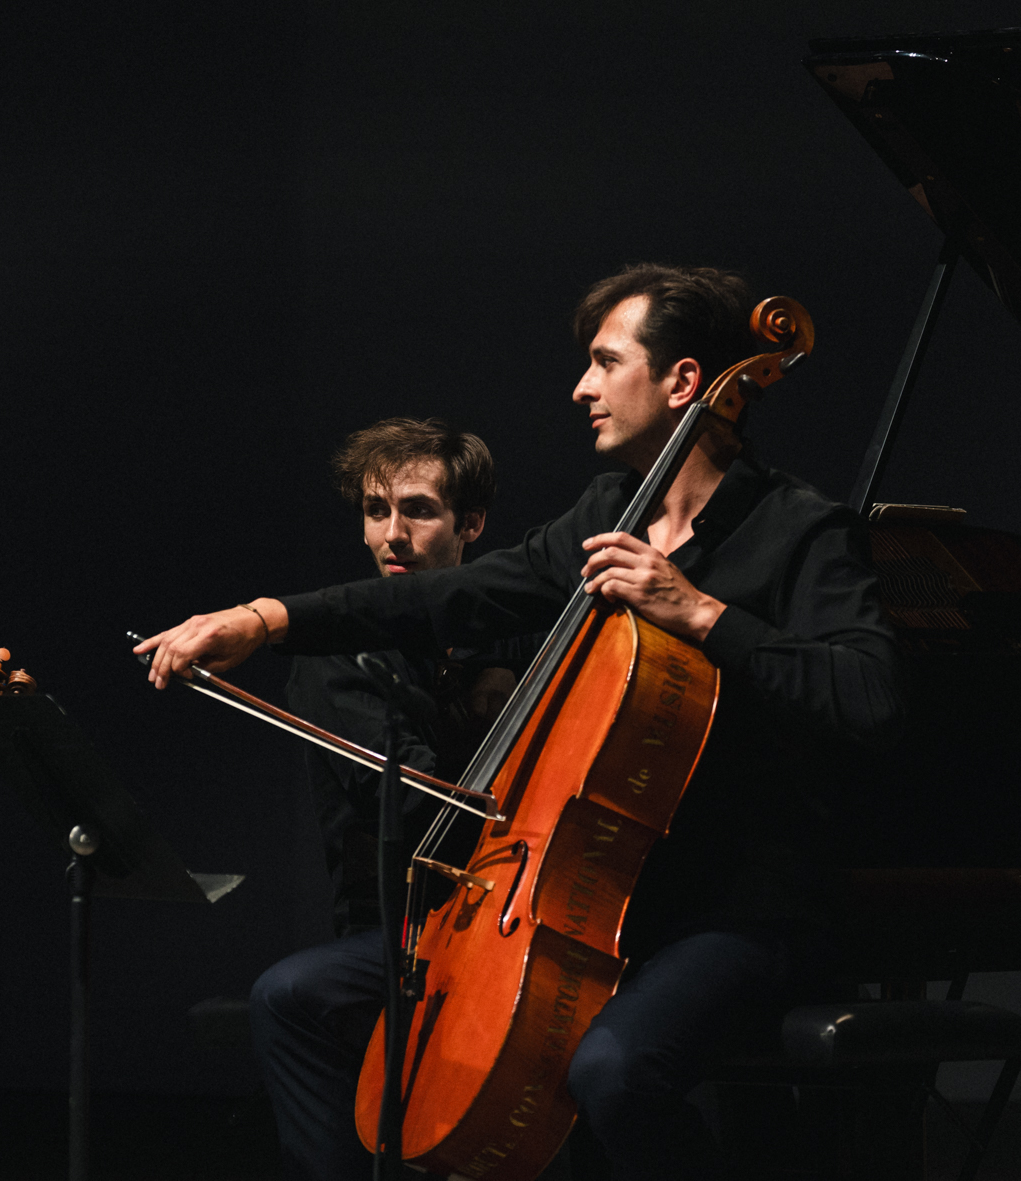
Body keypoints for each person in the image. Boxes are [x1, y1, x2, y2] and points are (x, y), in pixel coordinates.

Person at [136, 264, 904, 1180]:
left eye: (604, 362)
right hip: (582, 898)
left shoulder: (800, 529)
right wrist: (263, 620)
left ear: (685, 381)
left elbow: (870, 696)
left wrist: (700, 614)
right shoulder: (602, 517)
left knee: (614, 1069)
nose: (581, 387)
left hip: (730, 909)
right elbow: (443, 599)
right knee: (298, 996)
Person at [288, 417, 521, 935]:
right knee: (284, 994)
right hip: (397, 931)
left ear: (471, 524)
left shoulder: (514, 632)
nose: (392, 535)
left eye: (417, 510)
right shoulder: (336, 653)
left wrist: (501, 665)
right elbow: (414, 804)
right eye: (376, 512)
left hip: (519, 906)